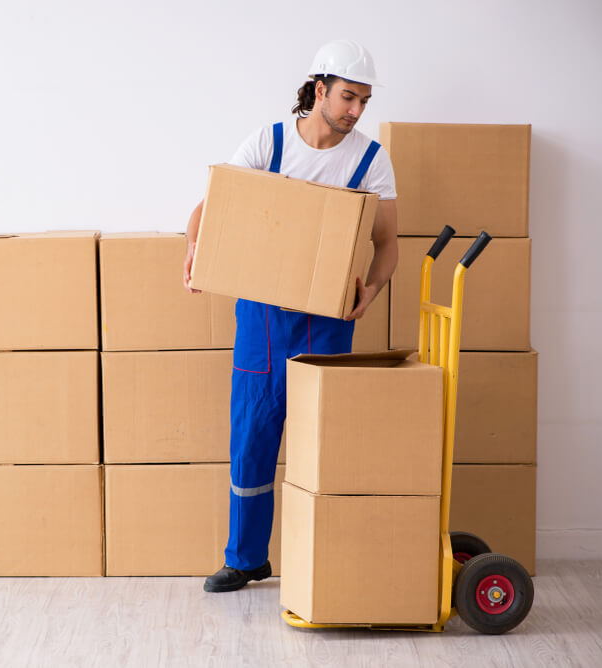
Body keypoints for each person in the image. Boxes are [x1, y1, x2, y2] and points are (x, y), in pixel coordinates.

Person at [182, 40, 399, 593]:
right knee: (252, 436)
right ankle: (245, 558)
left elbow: (387, 244)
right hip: (262, 319)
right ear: (319, 89)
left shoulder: (370, 160)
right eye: (348, 97)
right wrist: (194, 249)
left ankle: (321, 562)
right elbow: (211, 209)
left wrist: (372, 290)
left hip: (328, 323)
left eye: (364, 101)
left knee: (321, 446)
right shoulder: (269, 143)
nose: (356, 110)